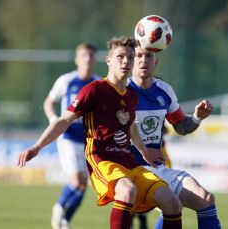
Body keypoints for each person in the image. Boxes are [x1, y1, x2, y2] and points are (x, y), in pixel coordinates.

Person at [18, 36, 182, 229]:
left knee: (172, 202)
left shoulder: (131, 95)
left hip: (128, 162)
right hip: (103, 161)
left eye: (130, 57)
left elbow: (131, 126)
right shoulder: (94, 90)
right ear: (108, 61)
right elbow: (64, 120)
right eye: (120, 56)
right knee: (127, 190)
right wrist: (37, 147)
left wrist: (144, 151)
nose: (126, 62)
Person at [129, 46, 222, 229]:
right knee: (172, 205)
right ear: (131, 60)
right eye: (138, 55)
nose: (143, 60)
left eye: (149, 56)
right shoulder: (120, 91)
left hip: (158, 169)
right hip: (129, 171)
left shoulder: (164, 90)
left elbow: (181, 126)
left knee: (205, 199)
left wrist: (196, 118)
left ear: (156, 61)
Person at [43, 43, 100, 229]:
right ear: (77, 59)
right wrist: (53, 119)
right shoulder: (66, 81)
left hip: (88, 139)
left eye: (91, 55)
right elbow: (48, 102)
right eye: (84, 55)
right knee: (76, 180)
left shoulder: (98, 84)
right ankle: (59, 207)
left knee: (84, 184)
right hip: (67, 136)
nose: (88, 58)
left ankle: (66, 220)